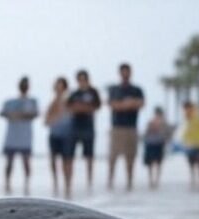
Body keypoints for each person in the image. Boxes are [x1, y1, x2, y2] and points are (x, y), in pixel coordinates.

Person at [106, 63, 144, 191]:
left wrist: (124, 104)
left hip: (131, 128)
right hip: (117, 127)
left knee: (130, 157)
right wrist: (128, 104)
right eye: (123, 71)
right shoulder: (114, 89)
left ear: (130, 72)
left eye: (127, 71)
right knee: (113, 157)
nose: (125, 74)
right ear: (120, 73)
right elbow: (113, 105)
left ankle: (129, 182)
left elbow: (140, 104)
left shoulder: (137, 89)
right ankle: (110, 182)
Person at [0, 76, 38, 195]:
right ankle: (7, 184)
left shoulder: (32, 101)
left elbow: (33, 114)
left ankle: (26, 185)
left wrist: (16, 115)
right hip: (12, 136)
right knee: (9, 162)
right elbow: (2, 113)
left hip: (25, 137)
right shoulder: (10, 102)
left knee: (26, 162)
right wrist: (19, 115)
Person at [67, 69, 100, 189]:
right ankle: (69, 183)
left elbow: (96, 107)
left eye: (83, 79)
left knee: (89, 156)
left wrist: (82, 108)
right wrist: (82, 108)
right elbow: (70, 107)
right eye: (80, 79)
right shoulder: (74, 93)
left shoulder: (93, 92)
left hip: (88, 127)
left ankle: (89, 182)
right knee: (70, 155)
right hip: (75, 126)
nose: (82, 82)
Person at [44, 76, 74, 198]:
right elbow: (47, 121)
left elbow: (71, 115)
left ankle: (67, 186)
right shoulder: (52, 103)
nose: (58, 89)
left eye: (61, 86)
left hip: (67, 134)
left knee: (67, 160)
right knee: (53, 160)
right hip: (54, 134)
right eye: (57, 86)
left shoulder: (69, 101)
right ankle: (55, 184)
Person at [181, 101, 199, 189]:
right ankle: (193, 180)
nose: (185, 110)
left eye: (186, 108)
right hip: (190, 144)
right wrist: (184, 140)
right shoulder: (187, 117)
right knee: (191, 164)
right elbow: (186, 130)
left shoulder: (197, 116)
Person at [142, 106, 167, 189]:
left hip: (157, 144)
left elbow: (166, 135)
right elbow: (146, 133)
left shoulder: (162, 122)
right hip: (151, 144)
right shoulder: (152, 121)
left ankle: (155, 181)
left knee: (157, 164)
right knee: (151, 164)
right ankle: (152, 181)